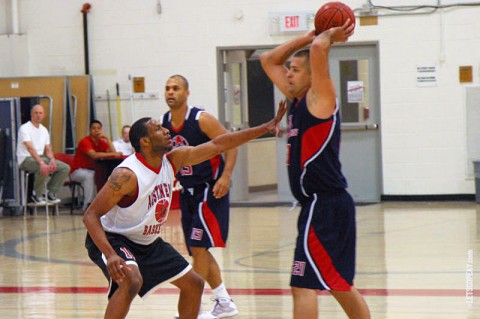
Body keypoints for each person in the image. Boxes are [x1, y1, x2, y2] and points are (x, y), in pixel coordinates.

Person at [82, 101, 286, 319]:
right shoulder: (126, 175)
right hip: (115, 239)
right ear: (146, 142)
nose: (167, 131)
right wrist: (111, 255)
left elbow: (219, 145)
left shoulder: (173, 159)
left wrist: (263, 128)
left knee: (194, 283)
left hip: (147, 242)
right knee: (131, 280)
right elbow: (90, 215)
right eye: (159, 129)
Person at [259, 21, 371, 319]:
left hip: (324, 204)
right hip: (325, 205)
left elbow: (320, 49)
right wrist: (306, 37)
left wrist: (326, 36)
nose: (288, 73)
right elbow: (267, 60)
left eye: (295, 69)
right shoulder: (297, 100)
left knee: (303, 284)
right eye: (290, 69)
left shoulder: (320, 98)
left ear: (312, 75)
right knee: (339, 284)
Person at [161, 74, 238, 318]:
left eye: (176, 88)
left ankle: (192, 307)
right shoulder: (164, 123)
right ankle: (224, 302)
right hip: (188, 192)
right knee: (198, 251)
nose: (171, 92)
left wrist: (225, 176)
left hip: (210, 190)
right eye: (167, 88)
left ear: (187, 93)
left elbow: (231, 143)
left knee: (198, 246)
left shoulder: (200, 119)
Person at [16, 104, 70, 205]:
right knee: (44, 164)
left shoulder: (44, 130)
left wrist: (52, 160)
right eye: (36, 113)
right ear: (31, 114)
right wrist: (41, 162)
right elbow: (30, 148)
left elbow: (48, 148)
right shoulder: (25, 128)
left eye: (40, 113)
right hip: (26, 159)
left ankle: (51, 193)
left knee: (65, 168)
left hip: (41, 157)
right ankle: (37, 195)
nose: (38, 115)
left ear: (44, 115)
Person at [71, 120, 122, 210]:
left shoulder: (101, 142)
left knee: (105, 175)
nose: (96, 130)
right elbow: (94, 155)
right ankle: (88, 205)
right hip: (77, 171)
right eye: (94, 128)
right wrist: (113, 154)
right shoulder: (85, 141)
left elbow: (113, 152)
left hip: (93, 170)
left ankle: (104, 205)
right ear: (89, 130)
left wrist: (107, 139)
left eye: (98, 128)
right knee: (90, 176)